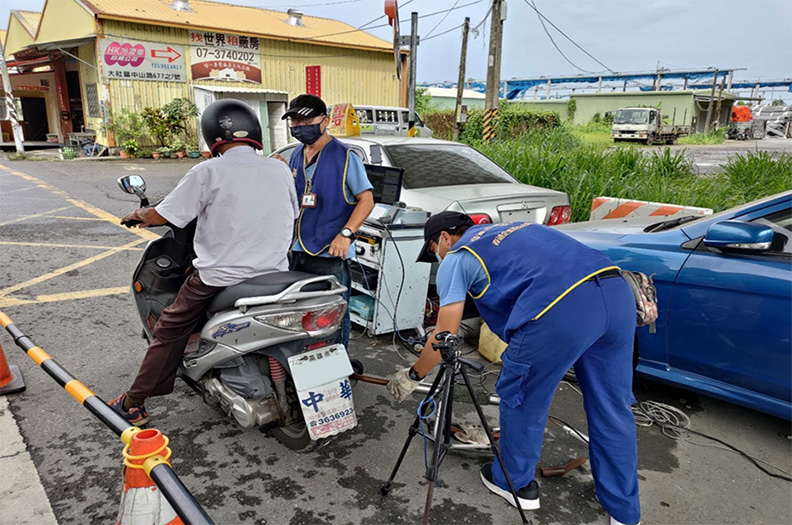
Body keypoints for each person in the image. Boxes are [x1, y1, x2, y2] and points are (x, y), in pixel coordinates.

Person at [387, 212, 641, 525]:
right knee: (612, 407)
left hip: (560, 309)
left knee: (522, 397)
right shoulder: (514, 229)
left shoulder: (458, 255)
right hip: (618, 294)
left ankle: (515, 484)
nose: (437, 257)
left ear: (443, 238)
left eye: (433, 251)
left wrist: (413, 375)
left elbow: (443, 337)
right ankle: (625, 512)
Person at [109, 99, 298, 426]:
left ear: (213, 135)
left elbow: (164, 213)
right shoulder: (278, 167)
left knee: (170, 326)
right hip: (276, 274)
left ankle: (134, 403)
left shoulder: (208, 170)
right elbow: (292, 212)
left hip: (222, 275)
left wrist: (139, 214)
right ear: (254, 132)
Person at [279, 94, 374, 349]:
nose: (301, 125)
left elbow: (366, 200)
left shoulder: (345, 156)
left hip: (328, 252)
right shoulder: (296, 155)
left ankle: (336, 369)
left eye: (307, 118)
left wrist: (346, 234)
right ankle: (302, 368)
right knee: (299, 316)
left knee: (331, 319)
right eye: (296, 120)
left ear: (325, 120)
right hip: (296, 250)